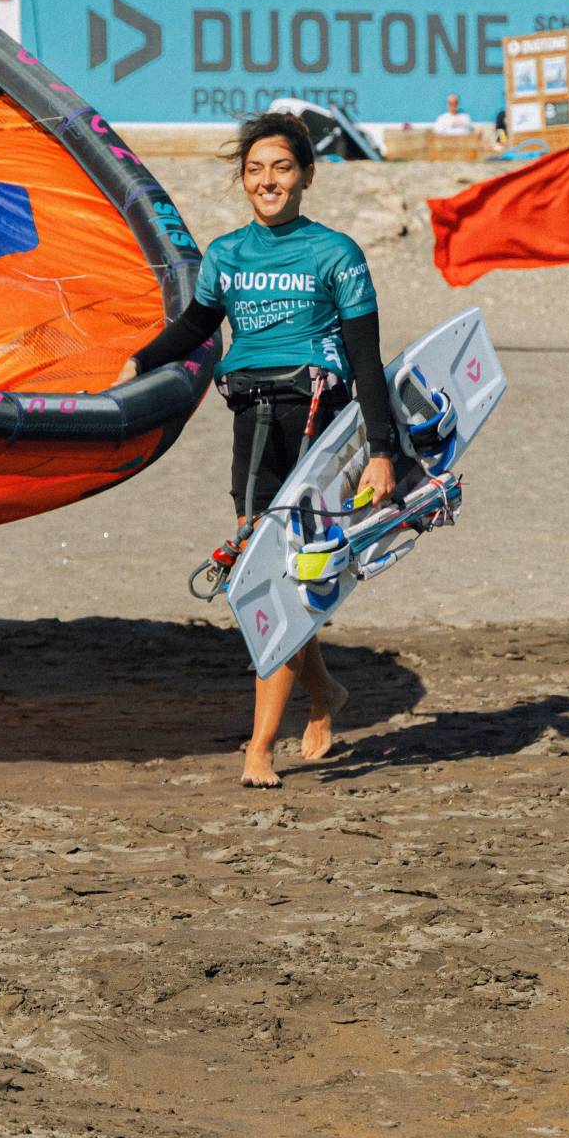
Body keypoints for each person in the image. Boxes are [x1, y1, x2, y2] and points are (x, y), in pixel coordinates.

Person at [115, 111, 398, 789]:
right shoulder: (226, 256)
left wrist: (382, 451)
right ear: (242, 180)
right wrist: (134, 368)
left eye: (281, 167)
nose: (266, 180)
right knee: (263, 571)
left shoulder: (337, 255)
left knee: (284, 575)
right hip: (253, 426)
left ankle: (258, 747)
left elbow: (367, 363)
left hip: (318, 428)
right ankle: (324, 694)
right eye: (254, 169)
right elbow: (193, 330)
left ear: (305, 176)